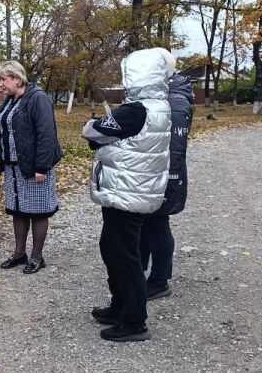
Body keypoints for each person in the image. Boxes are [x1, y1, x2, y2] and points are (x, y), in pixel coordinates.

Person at [82, 48, 172, 342]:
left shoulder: (137, 110)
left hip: (127, 193)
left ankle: (134, 321)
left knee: (124, 256)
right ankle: (120, 305)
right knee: (112, 248)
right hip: (135, 190)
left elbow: (94, 131)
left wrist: (93, 129)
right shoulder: (159, 105)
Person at [0, 60, 63, 275]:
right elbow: (5, 128)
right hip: (13, 166)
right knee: (18, 210)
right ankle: (20, 253)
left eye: (3, 79)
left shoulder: (38, 98)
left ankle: (37, 256)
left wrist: (42, 167)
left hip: (35, 166)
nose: (0, 84)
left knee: (38, 211)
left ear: (17, 79)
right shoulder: (10, 100)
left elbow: (47, 134)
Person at [140, 61, 193, 300]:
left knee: (158, 223)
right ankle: (140, 271)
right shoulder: (169, 96)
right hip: (155, 169)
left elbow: (171, 146)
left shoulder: (174, 102)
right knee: (145, 223)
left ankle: (160, 280)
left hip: (165, 172)